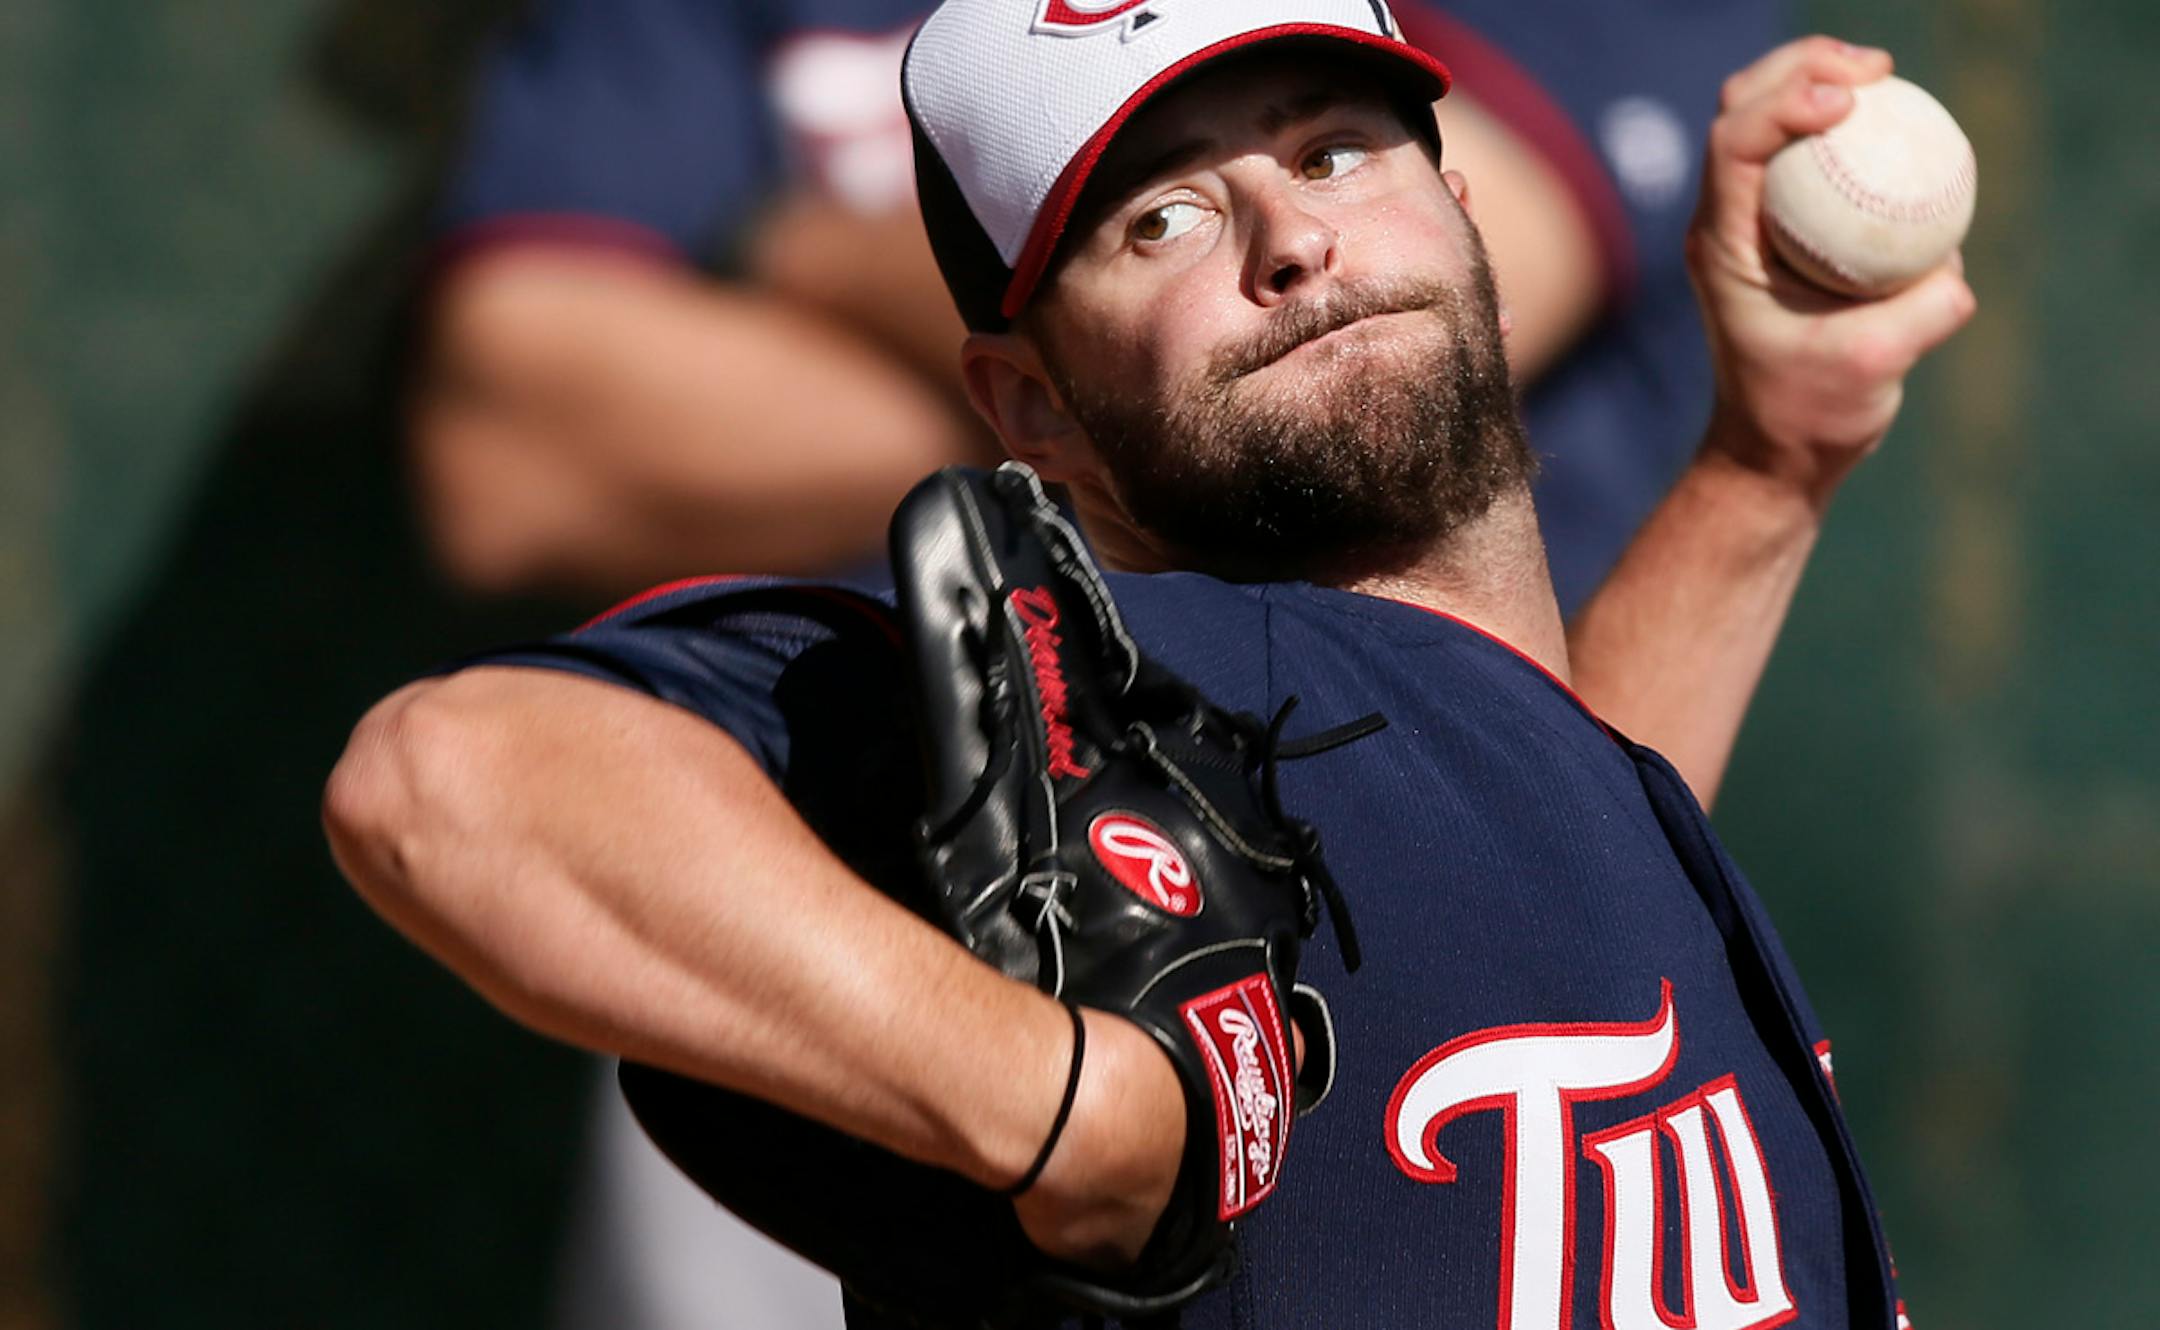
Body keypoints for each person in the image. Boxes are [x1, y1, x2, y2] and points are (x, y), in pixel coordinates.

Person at [327, 1, 1973, 1326]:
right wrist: (1064, 1110)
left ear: (1458, 210)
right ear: (1033, 411)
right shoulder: (1125, 687)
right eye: (1164, 217)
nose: (1288, 239)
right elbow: (449, 777)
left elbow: (1543, 863)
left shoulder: (1518, 775)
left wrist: (1767, 469)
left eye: (1335, 153)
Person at [414, 0, 1779, 603]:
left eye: (1327, 149)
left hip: (1387, 819)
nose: (1282, 233)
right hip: (825, 821)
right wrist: (1139, 411)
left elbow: (1371, 354)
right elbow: (518, 454)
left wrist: (796, 251)